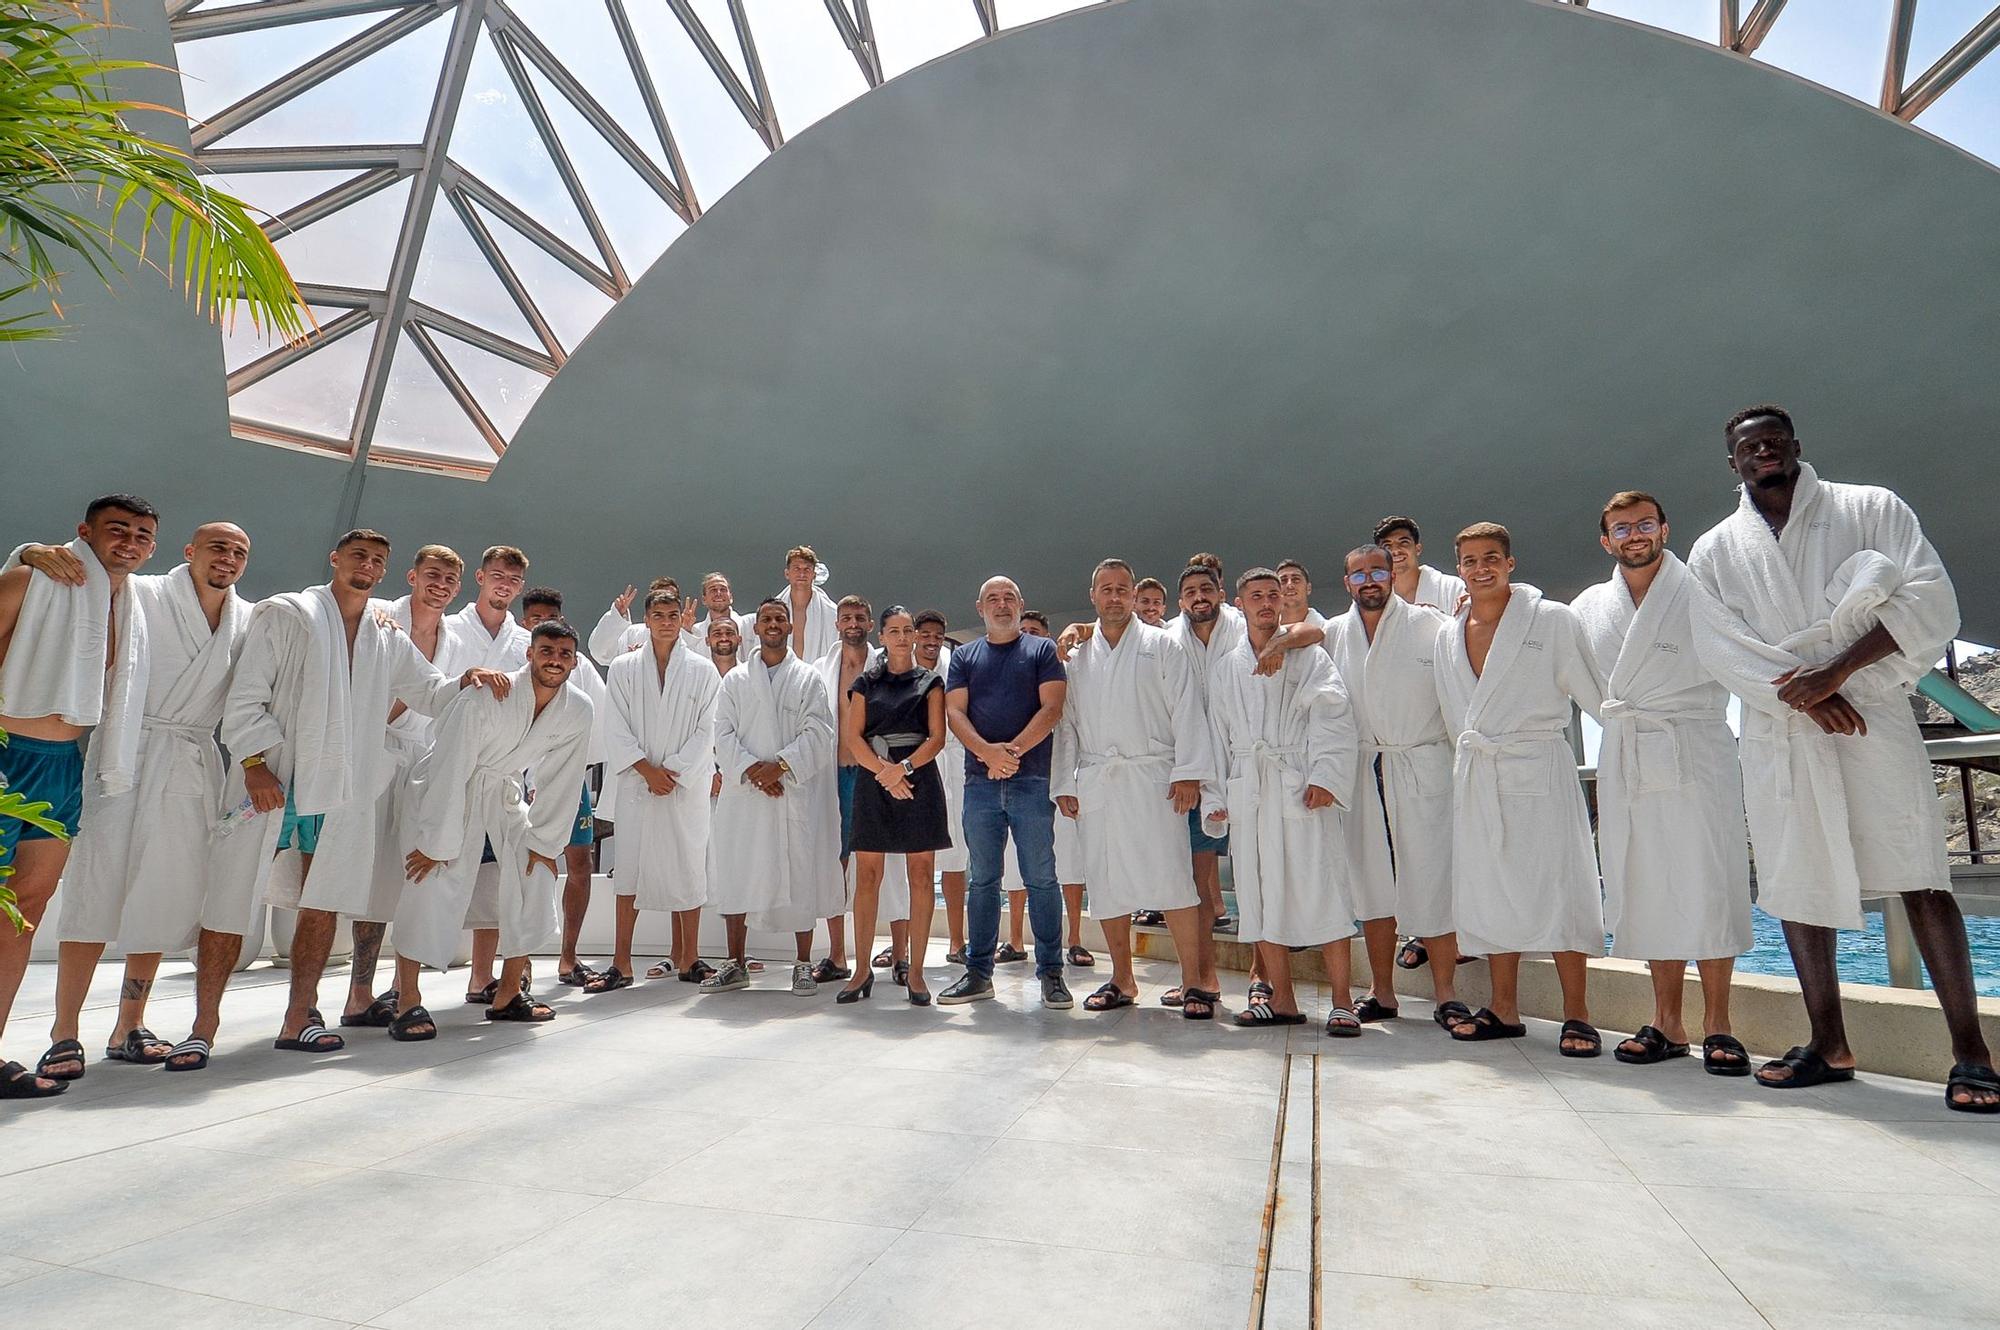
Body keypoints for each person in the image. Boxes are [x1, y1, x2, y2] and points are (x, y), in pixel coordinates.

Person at [1689, 405, 1995, 1111]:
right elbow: (1719, 646)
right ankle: (1829, 1043)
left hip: (1871, 719)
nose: (1762, 450)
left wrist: (1838, 672)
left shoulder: (1871, 508)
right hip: (1783, 731)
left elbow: (1929, 598)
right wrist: (1805, 694)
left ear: (1796, 445)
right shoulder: (1715, 550)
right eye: (1747, 446)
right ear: (1731, 463)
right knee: (1798, 882)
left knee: (1920, 874)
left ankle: (1972, 1053)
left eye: (1773, 439)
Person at [172, 531, 508, 1072]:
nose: (368, 566)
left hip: (341, 786)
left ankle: (299, 1016)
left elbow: (430, 691)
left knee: (322, 900)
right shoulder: (289, 614)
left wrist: (469, 679)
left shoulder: (385, 634)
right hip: (272, 779)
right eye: (358, 556)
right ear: (335, 560)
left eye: (377, 560)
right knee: (230, 898)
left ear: (384, 571)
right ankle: (202, 1027)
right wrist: (255, 765)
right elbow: (245, 697)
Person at [10, 523, 252, 1076]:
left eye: (239, 552)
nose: (229, 559)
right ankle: (64, 1031)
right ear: (190, 552)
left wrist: (385, 616)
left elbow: (295, 633)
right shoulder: (137, 591)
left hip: (191, 762)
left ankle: (129, 1024)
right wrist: (28, 552)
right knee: (95, 888)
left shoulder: (249, 617)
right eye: (218, 547)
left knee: (162, 892)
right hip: (126, 752)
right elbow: (75, 578)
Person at [1571, 492, 1754, 1073]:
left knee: (1711, 876)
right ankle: (1667, 1023)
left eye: (1644, 525)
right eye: (1621, 528)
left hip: (1696, 746)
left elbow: (1753, 648)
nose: (1634, 535)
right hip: (1628, 751)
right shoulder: (1587, 606)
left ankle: (1719, 1024)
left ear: (1664, 529)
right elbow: (1548, 654)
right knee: (1648, 880)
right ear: (1606, 540)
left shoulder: (1703, 589)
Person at [0, 496, 157, 1100]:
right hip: (8, 750)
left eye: (143, 535)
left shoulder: (132, 601)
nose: (131, 541)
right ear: (83, 532)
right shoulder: (32, 577)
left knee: (23, 910)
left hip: (63, 765)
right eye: (117, 530)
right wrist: (27, 554)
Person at [1433, 523, 1607, 1055]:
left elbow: (1594, 694)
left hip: (1540, 766)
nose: (1480, 568)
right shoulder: (1447, 633)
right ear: (1458, 568)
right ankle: (1503, 1008)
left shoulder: (1552, 619)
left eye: (1490, 558)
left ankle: (1577, 1014)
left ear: (1510, 563)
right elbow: (1450, 714)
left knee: (1561, 884)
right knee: (1490, 887)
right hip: (1480, 772)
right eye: (1469, 560)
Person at [388, 620, 595, 1035]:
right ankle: (406, 1000)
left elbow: (564, 776)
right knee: (428, 881)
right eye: (547, 651)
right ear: (530, 654)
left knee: (533, 874)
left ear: (574, 662)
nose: (555, 660)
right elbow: (450, 765)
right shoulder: (487, 695)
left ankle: (508, 995)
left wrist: (545, 841)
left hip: (502, 794)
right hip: (448, 792)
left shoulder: (577, 708)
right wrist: (436, 841)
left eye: (564, 654)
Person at [1052, 559, 1221, 1017]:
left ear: (1132, 595)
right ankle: (1122, 979)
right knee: (1105, 882)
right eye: (1105, 589)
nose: (1114, 596)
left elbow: (1188, 709)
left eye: (1122, 589)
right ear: (1093, 596)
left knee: (1173, 880)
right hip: (1098, 781)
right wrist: (1064, 781)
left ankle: (1192, 983)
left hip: (1154, 780)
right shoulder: (1077, 655)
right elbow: (1066, 725)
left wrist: (1188, 771)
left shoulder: (1163, 645)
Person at [1203, 568, 1362, 1033]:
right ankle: (1284, 1000)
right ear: (1241, 602)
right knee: (1257, 895)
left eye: (1274, 595)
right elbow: (1217, 735)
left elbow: (1334, 712)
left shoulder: (1309, 655)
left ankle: (1342, 1001)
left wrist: (1326, 775)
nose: (1267, 603)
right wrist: (1216, 793)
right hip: (1250, 789)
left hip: (1298, 784)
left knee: (1325, 888)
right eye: (1257, 596)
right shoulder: (1226, 666)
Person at [1325, 543, 1461, 1028]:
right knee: (1371, 886)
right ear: (1347, 584)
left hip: (1422, 765)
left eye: (1377, 572)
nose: (1369, 582)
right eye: (1358, 575)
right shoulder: (1334, 635)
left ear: (1393, 573)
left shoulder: (1432, 626)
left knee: (1432, 879)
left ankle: (1446, 994)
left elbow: (1457, 696)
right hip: (1363, 771)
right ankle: (1382, 992)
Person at [346, 542, 464, 1028]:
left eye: (449, 581)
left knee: (413, 875)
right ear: (412, 577)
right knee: (368, 879)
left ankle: (401, 989)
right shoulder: (376, 618)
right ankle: (357, 994)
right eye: (432, 575)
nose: (440, 585)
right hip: (368, 751)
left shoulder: (454, 638)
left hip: (421, 760)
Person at [938, 576, 1070, 1008]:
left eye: (1009, 597)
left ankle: (1051, 973)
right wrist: (986, 754)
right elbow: (954, 712)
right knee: (983, 881)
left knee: (1041, 879)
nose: (1001, 604)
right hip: (980, 784)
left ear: (1021, 604)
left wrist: (1010, 753)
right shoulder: (965, 656)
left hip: (1031, 780)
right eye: (992, 598)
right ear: (979, 608)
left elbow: (1052, 706)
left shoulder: (1041, 651)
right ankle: (978, 973)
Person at [700, 599, 841, 996]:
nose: (774, 624)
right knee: (737, 869)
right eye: (767, 619)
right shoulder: (735, 681)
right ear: (755, 629)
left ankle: (802, 964)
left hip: (791, 791)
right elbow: (721, 733)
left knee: (799, 871)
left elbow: (819, 732)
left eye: (781, 618)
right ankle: (735, 963)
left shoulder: (808, 679)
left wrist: (779, 766)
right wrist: (751, 770)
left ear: (791, 627)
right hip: (745, 794)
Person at [595, 589, 720, 991]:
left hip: (685, 786)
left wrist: (676, 771)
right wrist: (647, 770)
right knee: (629, 869)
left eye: (672, 614)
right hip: (637, 782)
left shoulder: (702, 670)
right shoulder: (624, 667)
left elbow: (709, 728)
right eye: (658, 615)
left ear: (680, 620)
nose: (666, 621)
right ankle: (621, 961)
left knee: (688, 864)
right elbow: (614, 724)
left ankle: (690, 957)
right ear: (646, 620)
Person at [839, 606, 950, 1005]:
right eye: (894, 631)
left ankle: (916, 972)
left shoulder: (931, 681)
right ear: (881, 637)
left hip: (918, 779)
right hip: (874, 779)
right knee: (867, 877)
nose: (903, 637)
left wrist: (902, 769)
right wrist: (884, 773)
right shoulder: (865, 683)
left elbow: (937, 737)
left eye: (908, 630)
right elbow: (854, 739)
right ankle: (861, 970)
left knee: (922, 877)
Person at [447, 547, 535, 1003]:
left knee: (495, 878)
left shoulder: (525, 643)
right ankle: (402, 985)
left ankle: (482, 977)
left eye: (513, 580)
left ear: (520, 586)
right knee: (426, 875)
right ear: (480, 577)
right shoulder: (449, 629)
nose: (504, 584)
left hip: (502, 773)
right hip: (447, 771)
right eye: (497, 575)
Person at [520, 588, 614, 989]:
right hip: (515, 780)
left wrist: (566, 771)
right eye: (535, 617)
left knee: (579, 865)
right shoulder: (514, 657)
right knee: (522, 868)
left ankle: (568, 958)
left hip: (569, 778)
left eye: (550, 616)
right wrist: (530, 778)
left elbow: (598, 720)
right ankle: (517, 964)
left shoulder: (578, 666)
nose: (542, 622)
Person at [809, 594, 878, 983]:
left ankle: (892, 952)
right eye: (846, 617)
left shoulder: (884, 665)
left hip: (872, 775)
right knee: (836, 863)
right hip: (833, 773)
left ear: (869, 623)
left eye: (859, 617)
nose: (852, 623)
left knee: (876, 864)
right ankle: (837, 955)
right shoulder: (821, 670)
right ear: (837, 624)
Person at [1015, 611, 1088, 966]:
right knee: (1016, 863)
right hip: (1021, 774)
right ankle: (1014, 940)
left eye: (1036, 632)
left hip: (1061, 772)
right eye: (1024, 630)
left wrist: (1068, 780)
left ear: (1047, 637)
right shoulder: (1009, 671)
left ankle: (1074, 939)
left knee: (1070, 862)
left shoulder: (1063, 668)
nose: (1029, 635)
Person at [1373, 516, 1466, 612]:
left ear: (1418, 549)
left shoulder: (1451, 588)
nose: (1396, 551)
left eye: (1403, 543)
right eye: (1387, 546)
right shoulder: (1373, 595)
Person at [590, 577, 675, 664]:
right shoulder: (632, 634)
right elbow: (600, 653)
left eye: (670, 598)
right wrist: (616, 617)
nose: (665, 603)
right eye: (659, 599)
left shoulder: (686, 636)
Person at [782, 545, 838, 662]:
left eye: (807, 569)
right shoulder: (773, 612)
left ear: (814, 574)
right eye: (797, 568)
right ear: (787, 573)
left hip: (818, 676)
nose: (802, 574)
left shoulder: (832, 613)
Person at [685, 572, 753, 660]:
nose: (718, 593)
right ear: (704, 599)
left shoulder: (750, 624)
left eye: (723, 589)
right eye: (713, 590)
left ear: (731, 597)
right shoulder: (695, 632)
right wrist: (686, 631)